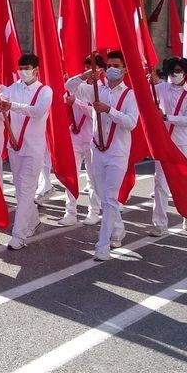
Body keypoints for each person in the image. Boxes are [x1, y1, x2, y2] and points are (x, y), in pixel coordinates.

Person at [67, 50, 139, 262]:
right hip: (97, 149)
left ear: (125, 69)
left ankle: (102, 245)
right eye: (109, 66)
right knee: (100, 193)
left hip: (117, 153)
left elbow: (131, 123)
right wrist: (84, 76)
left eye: (117, 65)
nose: (112, 69)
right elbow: (69, 88)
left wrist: (109, 110)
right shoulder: (97, 89)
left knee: (109, 198)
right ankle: (118, 229)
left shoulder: (130, 95)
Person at [0, 54, 52, 250]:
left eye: (27, 68)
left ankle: (18, 235)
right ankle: (34, 220)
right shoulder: (13, 88)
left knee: (27, 189)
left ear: (36, 69)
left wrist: (12, 106)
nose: (23, 71)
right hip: (15, 147)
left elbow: (37, 111)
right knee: (21, 191)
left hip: (33, 149)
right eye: (21, 68)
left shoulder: (45, 91)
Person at [150, 57, 187, 234]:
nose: (174, 74)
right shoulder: (161, 88)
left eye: (178, 71)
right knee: (160, 183)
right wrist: (148, 82)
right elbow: (144, 95)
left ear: (186, 73)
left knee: (184, 181)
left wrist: (165, 117)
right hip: (164, 142)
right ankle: (160, 224)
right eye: (172, 70)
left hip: (183, 143)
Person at [61, 55, 102, 226]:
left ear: (101, 71)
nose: (89, 72)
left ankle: (93, 212)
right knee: (72, 176)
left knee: (93, 178)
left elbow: (94, 111)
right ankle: (70, 212)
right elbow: (67, 86)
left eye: (92, 69)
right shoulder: (79, 86)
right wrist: (83, 77)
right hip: (75, 137)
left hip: (93, 138)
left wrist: (76, 102)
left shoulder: (103, 89)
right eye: (86, 68)